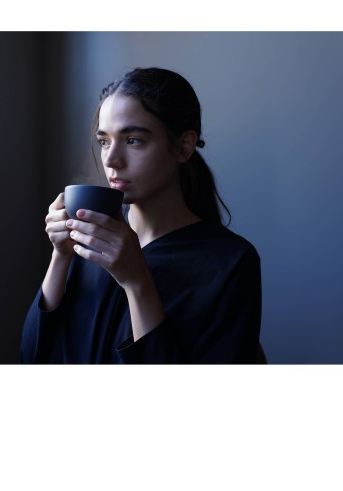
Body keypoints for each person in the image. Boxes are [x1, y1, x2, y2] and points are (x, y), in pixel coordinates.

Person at [21, 67, 261, 363]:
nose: (111, 160)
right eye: (104, 141)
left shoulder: (229, 262)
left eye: (133, 140)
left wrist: (137, 282)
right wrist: (61, 256)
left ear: (183, 146)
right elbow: (32, 358)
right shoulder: (90, 240)